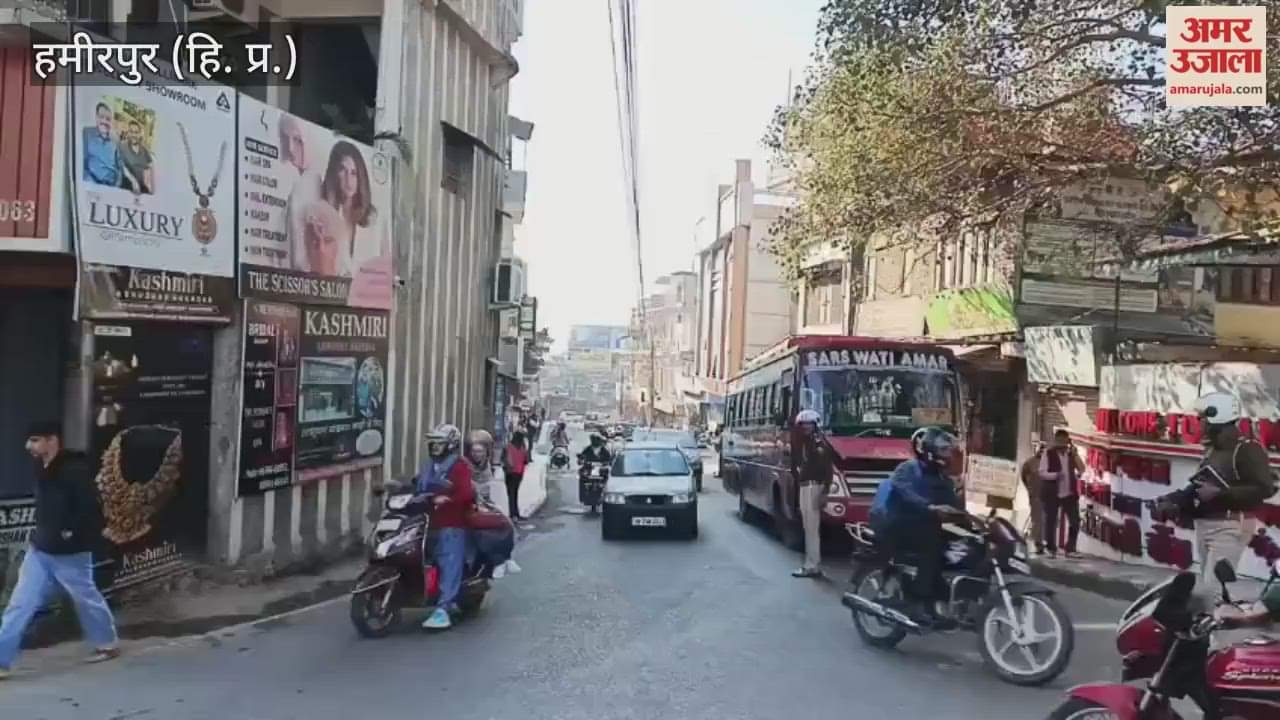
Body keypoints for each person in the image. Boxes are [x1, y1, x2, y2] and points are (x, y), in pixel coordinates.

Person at [1, 422, 120, 679]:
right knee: (19, 604)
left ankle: (107, 642)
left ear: (52, 441)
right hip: (40, 549)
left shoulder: (74, 470)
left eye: (34, 440)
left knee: (85, 597)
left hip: (71, 553)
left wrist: (70, 531)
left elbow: (90, 508)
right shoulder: (39, 466)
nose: (28, 446)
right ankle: (1, 660)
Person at [1155, 392, 1276, 586]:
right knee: (1206, 589)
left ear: (1216, 418)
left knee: (1212, 591)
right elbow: (1198, 487)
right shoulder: (1213, 450)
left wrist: (1221, 493)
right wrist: (1173, 501)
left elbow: (1265, 488)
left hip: (1230, 525)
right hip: (1206, 525)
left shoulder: (1246, 449)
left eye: (1202, 418)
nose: (1199, 423)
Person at [869, 426, 962, 627]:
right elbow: (905, 493)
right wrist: (930, 507)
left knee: (953, 549)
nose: (947, 455)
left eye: (948, 450)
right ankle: (915, 601)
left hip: (924, 526)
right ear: (929, 451)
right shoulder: (908, 469)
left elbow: (954, 504)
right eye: (943, 450)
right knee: (931, 547)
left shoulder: (942, 478)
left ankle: (938, 601)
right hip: (896, 524)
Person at [415, 423, 475, 631]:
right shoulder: (428, 466)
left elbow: (467, 493)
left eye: (439, 443)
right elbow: (416, 485)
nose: (434, 447)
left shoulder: (459, 466)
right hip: (426, 521)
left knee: (449, 559)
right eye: (432, 442)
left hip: (452, 522)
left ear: (450, 445)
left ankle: (444, 608)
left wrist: (448, 499)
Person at [791, 409, 833, 579]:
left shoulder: (819, 444)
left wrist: (825, 492)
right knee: (808, 527)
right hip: (805, 486)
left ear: (815, 425)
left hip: (814, 487)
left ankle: (812, 565)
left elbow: (827, 471)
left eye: (809, 424)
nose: (805, 427)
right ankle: (811, 563)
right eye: (802, 424)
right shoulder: (805, 444)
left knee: (811, 529)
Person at [1039, 429, 1084, 559]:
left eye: (1065, 440)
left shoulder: (1070, 454)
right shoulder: (1048, 453)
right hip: (1052, 492)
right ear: (1056, 440)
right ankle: (1050, 548)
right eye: (1060, 440)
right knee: (1051, 521)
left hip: (1069, 493)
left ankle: (1070, 548)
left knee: (1075, 521)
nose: (1063, 443)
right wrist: (1055, 475)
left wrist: (1075, 454)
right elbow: (1042, 472)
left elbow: (1082, 469)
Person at [83, 102, 119, 187]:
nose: (104, 121)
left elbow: (119, 168)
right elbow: (81, 164)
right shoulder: (87, 133)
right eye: (101, 117)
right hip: (92, 184)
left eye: (108, 119)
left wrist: (116, 186)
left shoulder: (115, 140)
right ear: (96, 117)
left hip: (111, 187)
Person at [1019, 442, 1047, 555]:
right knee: (1037, 520)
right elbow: (1023, 476)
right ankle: (1038, 544)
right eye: (1040, 449)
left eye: (1043, 450)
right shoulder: (1030, 463)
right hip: (1035, 495)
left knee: (1045, 520)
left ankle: (1043, 542)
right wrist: (1029, 489)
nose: (1041, 451)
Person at [117, 119, 153, 195]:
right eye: (131, 132)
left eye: (136, 132)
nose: (133, 135)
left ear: (140, 134)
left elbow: (150, 169)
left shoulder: (145, 151)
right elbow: (121, 166)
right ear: (128, 133)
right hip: (127, 187)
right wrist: (133, 180)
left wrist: (150, 186)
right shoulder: (122, 146)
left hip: (142, 188)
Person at [503, 432, 530, 521]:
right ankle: (516, 513)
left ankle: (513, 514)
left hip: (510, 473)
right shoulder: (522, 447)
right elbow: (526, 460)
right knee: (515, 493)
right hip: (519, 473)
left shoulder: (508, 447)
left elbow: (503, 459)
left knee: (511, 494)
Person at [464, 429, 496, 503]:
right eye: (473, 451)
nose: (476, 455)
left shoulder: (487, 471)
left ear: (486, 452)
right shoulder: (465, 468)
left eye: (479, 451)